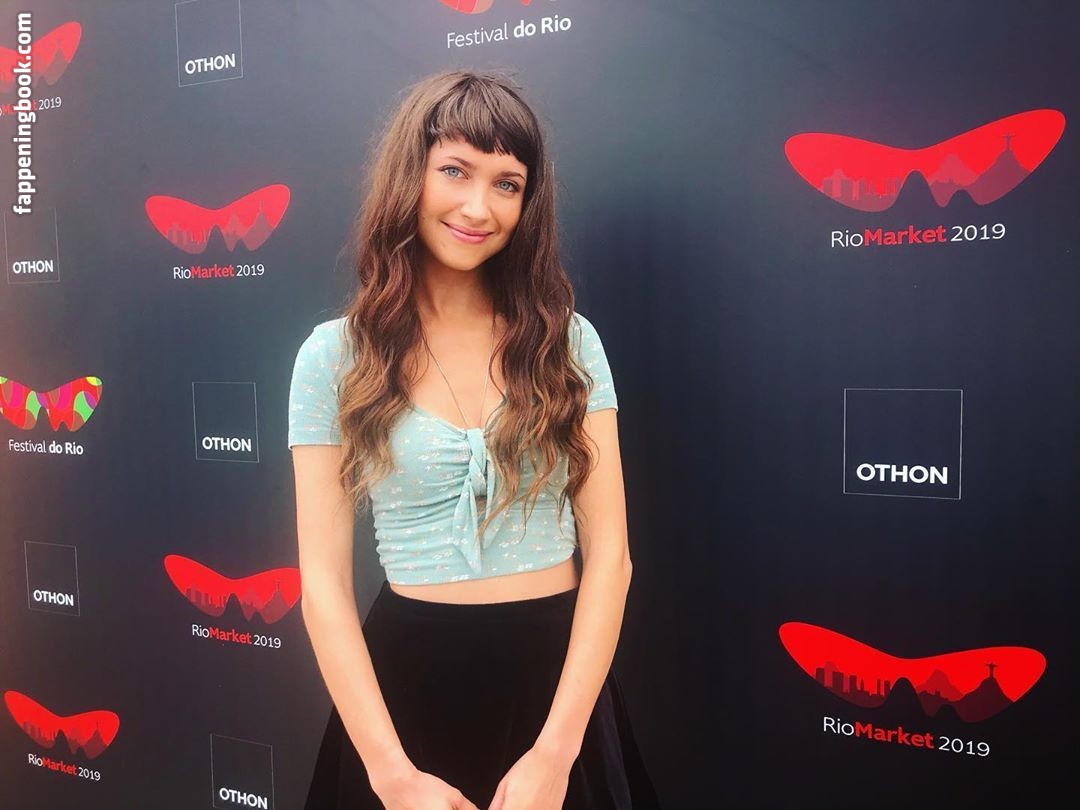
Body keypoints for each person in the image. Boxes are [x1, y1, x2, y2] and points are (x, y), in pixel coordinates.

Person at [288, 69, 661, 810]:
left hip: (557, 695)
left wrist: (557, 754)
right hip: (403, 698)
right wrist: (391, 774)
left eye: (507, 184)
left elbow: (611, 559)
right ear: (410, 176)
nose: (478, 207)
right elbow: (323, 584)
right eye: (455, 171)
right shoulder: (334, 357)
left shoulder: (568, 344)